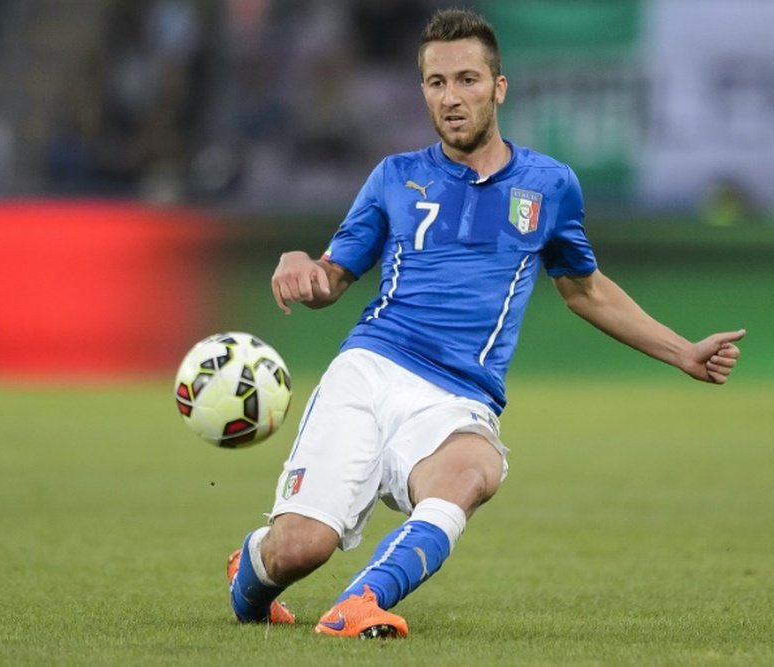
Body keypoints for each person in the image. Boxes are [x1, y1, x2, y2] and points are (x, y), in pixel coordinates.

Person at [226, 8, 745, 639]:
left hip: (458, 395)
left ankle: (358, 603)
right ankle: (250, 568)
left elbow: (585, 289)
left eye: (467, 80)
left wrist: (682, 351)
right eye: (437, 83)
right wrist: (300, 266)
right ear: (422, 91)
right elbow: (331, 279)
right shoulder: (394, 176)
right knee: (297, 550)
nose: (452, 97)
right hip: (370, 371)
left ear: (499, 87)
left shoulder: (548, 185)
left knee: (474, 470)